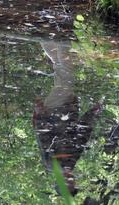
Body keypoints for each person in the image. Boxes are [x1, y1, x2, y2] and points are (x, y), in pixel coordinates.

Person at [32, 40, 99, 196]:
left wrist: (40, 113)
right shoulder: (71, 162)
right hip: (68, 108)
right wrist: (92, 113)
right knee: (62, 72)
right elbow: (82, 134)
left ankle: (63, 39)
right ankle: (45, 38)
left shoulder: (51, 164)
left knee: (67, 76)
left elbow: (43, 136)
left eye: (67, 185)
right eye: (72, 184)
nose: (70, 182)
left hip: (55, 110)